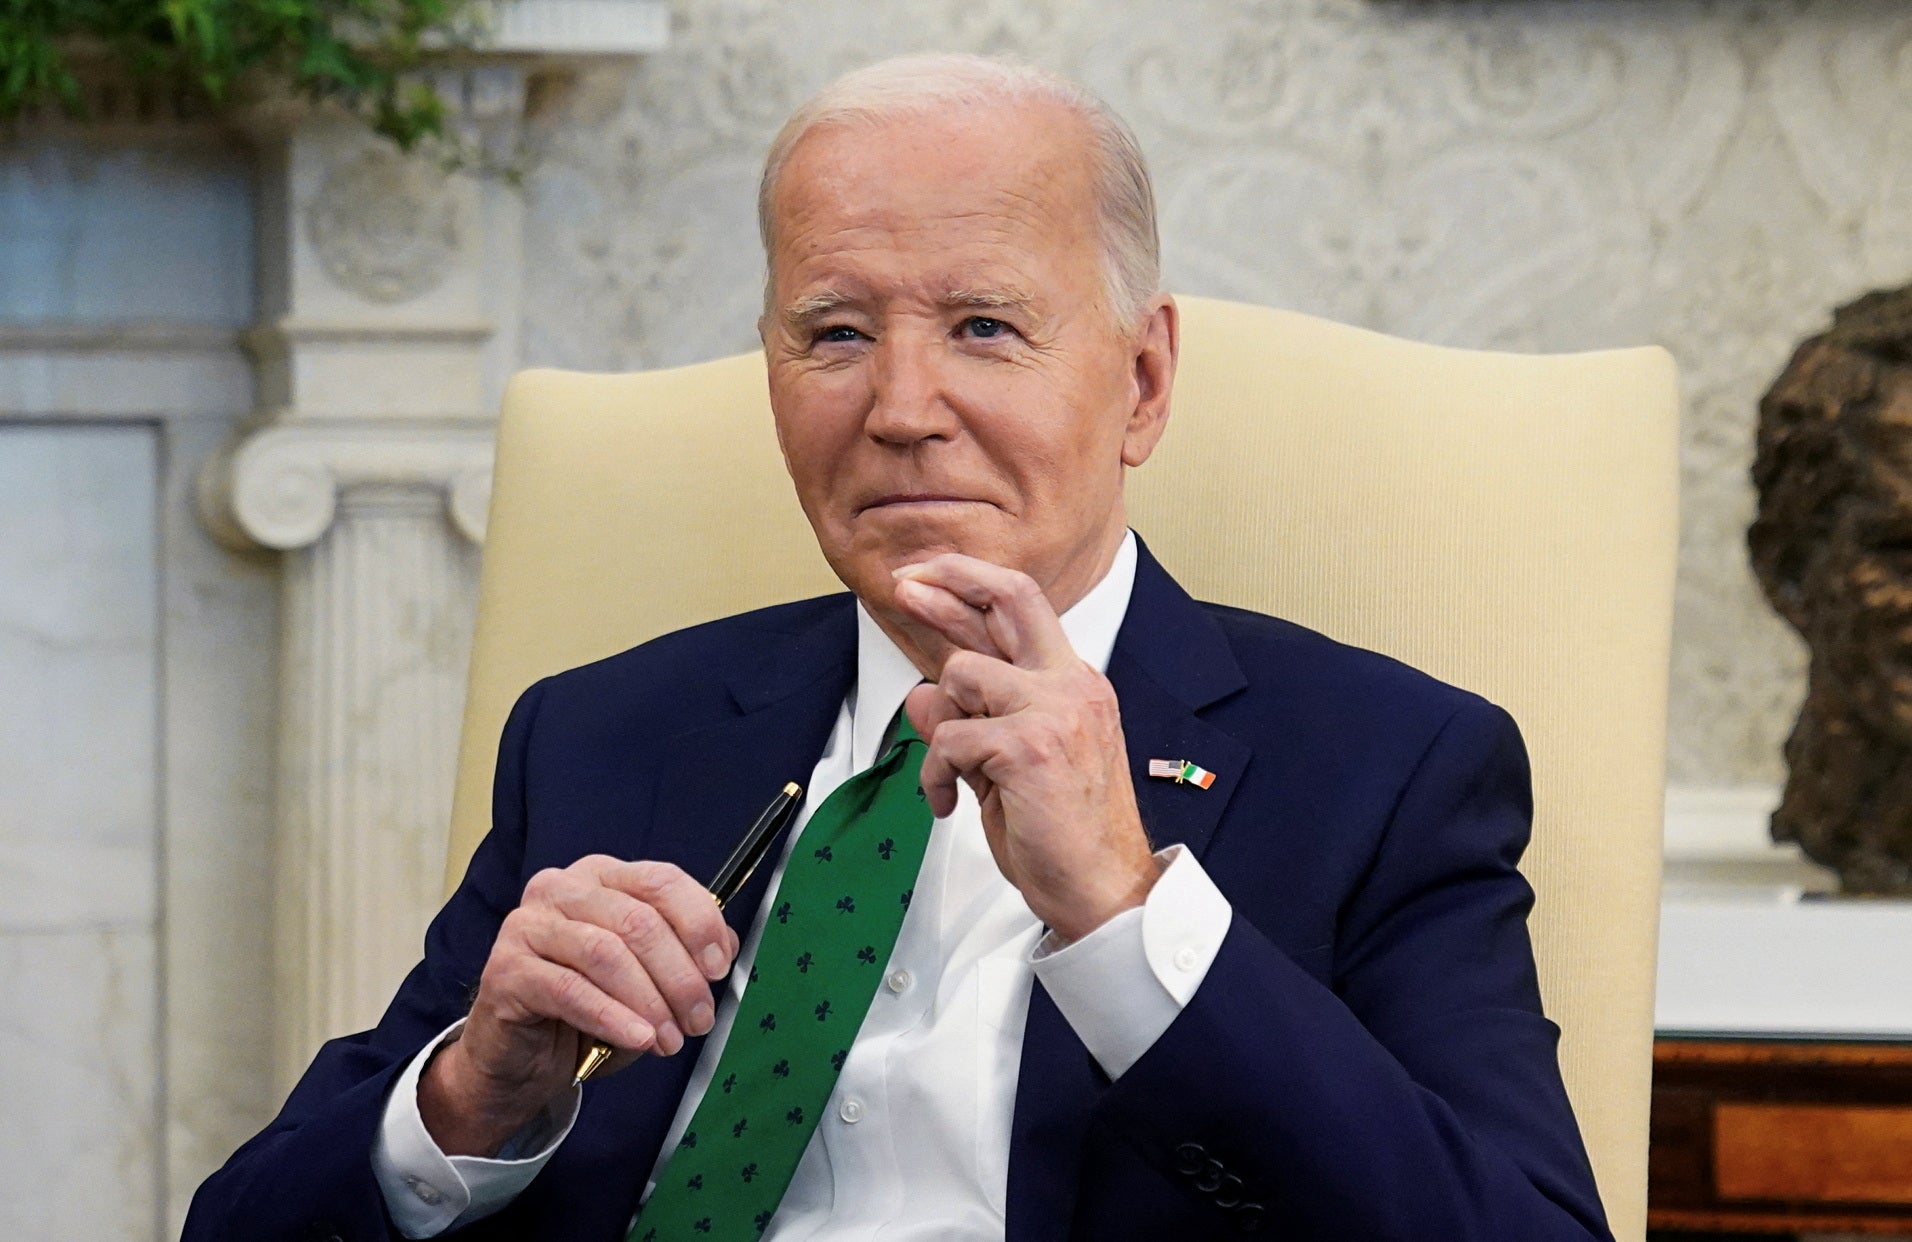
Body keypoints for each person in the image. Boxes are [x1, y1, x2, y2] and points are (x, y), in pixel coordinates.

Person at [185, 54, 1613, 1241]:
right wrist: (471, 1099)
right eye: (835, 332)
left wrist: (1128, 916)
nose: (902, 406)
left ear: (1144, 379)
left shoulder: (1386, 765)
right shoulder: (605, 733)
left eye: (984, 327)